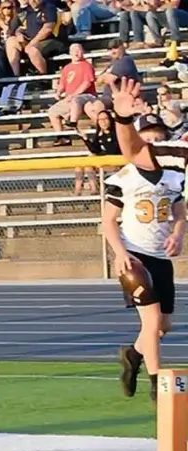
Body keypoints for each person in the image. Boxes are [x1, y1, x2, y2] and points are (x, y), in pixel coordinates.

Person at [106, 78, 188, 402]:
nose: (154, 141)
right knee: (152, 321)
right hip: (135, 255)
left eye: (158, 135)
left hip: (160, 255)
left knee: (162, 326)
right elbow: (107, 221)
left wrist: (178, 234)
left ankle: (134, 354)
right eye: (148, 135)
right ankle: (157, 384)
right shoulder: (126, 176)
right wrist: (123, 118)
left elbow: (179, 212)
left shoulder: (174, 172)